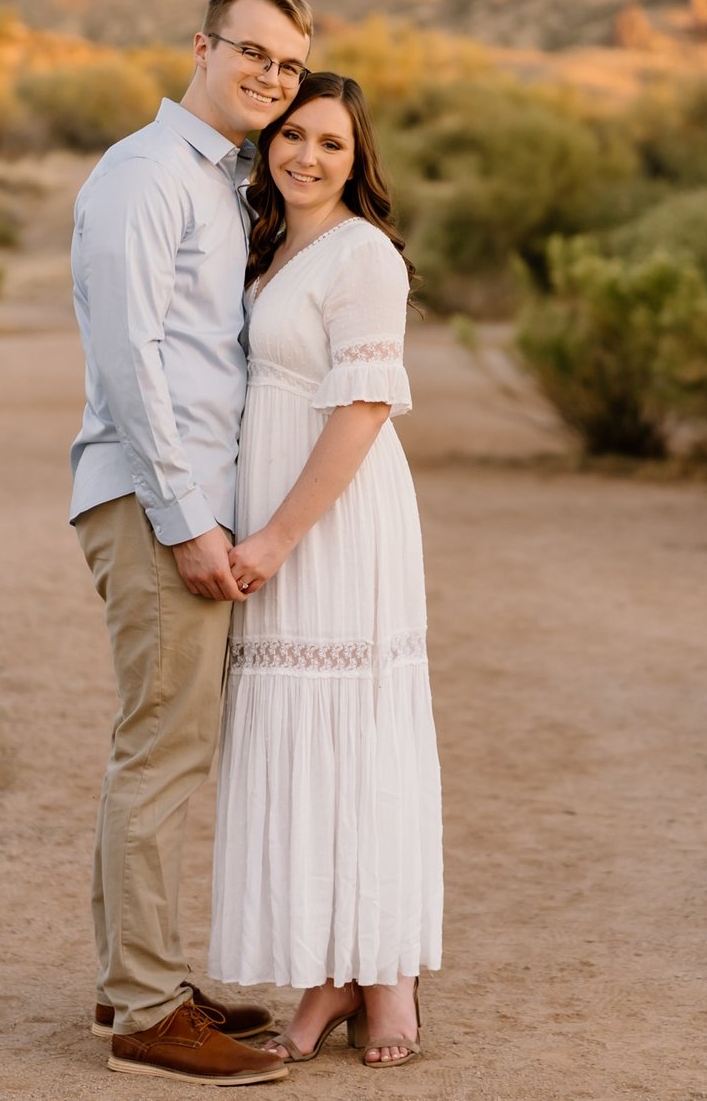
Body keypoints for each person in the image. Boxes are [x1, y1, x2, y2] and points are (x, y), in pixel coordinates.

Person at [69, 0, 313, 1087]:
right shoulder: (145, 174)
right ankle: (147, 1012)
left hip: (183, 502)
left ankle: (141, 981)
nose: (270, 77)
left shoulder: (220, 185)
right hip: (153, 501)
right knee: (161, 752)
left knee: (165, 750)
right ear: (201, 47)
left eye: (290, 66)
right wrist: (184, 521)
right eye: (253, 53)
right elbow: (129, 365)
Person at [209, 72, 444, 1070]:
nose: (306, 156)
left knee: (358, 738)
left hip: (334, 521)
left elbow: (359, 413)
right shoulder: (264, 244)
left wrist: (276, 538)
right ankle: (334, 969)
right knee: (300, 741)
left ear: (361, 160)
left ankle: (377, 971)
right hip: (272, 511)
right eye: (291, 134)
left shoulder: (365, 256)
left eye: (332, 144)